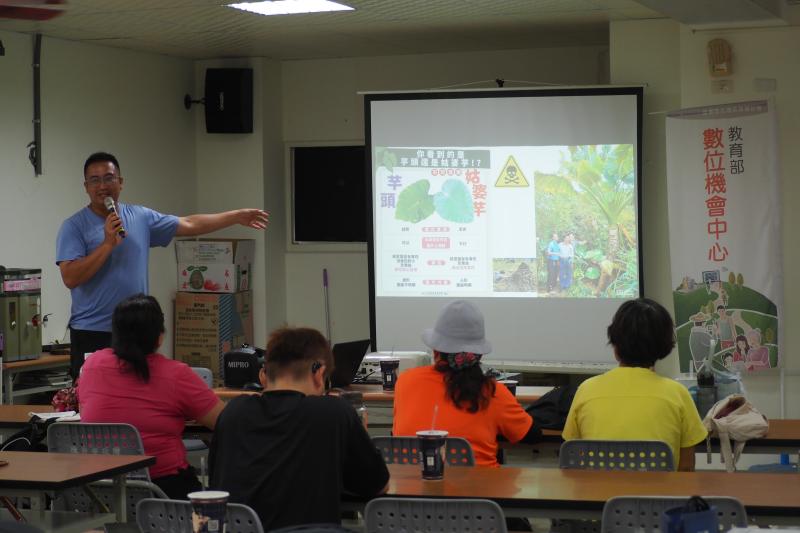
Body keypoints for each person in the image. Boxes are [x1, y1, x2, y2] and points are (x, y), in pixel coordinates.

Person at [56, 152, 269, 378]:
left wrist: (234, 217)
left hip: (136, 330)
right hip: (93, 331)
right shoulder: (73, 227)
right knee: (92, 406)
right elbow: (70, 277)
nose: (102, 186)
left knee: (137, 397)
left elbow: (188, 223)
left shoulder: (140, 217)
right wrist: (108, 245)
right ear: (86, 186)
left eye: (109, 178)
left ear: (121, 182)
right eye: (95, 180)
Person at [209, 327, 389, 530]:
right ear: (319, 373)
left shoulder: (234, 412)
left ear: (263, 375)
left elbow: (216, 482)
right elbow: (378, 485)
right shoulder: (333, 413)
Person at [78, 294, 225, 498]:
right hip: (163, 493)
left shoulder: (92, 365)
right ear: (159, 336)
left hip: (99, 494)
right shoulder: (176, 374)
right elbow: (226, 422)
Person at [563, 298, 707, 471]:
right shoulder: (678, 394)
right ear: (664, 346)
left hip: (597, 496)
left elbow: (574, 459)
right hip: (659, 497)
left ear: (615, 346)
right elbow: (686, 469)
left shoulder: (587, 389)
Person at [393, 300, 536, 467]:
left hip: (408, 490)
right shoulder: (493, 392)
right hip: (479, 491)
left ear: (436, 349)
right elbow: (530, 435)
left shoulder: (405, 381)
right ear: (478, 355)